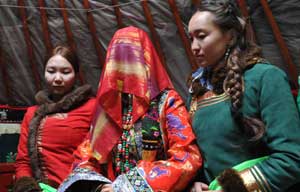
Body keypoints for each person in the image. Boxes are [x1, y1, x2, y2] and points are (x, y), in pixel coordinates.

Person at [57, 26, 202, 192]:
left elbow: (187, 157)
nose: (125, 67)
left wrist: (127, 186)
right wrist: (100, 186)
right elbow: (86, 156)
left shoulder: (166, 102)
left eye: (132, 59)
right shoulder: (109, 108)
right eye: (118, 60)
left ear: (147, 61)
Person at [187, 0, 300, 191]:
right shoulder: (197, 92)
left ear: (230, 37)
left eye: (201, 36)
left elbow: (292, 159)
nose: (194, 47)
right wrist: (196, 183)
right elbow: (206, 160)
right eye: (190, 38)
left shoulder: (265, 77)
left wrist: (232, 188)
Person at [14, 45, 96, 192]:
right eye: (51, 71)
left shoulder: (91, 107)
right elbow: (23, 162)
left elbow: (100, 156)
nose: (57, 78)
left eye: (65, 72)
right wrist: (29, 189)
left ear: (76, 74)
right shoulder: (32, 113)